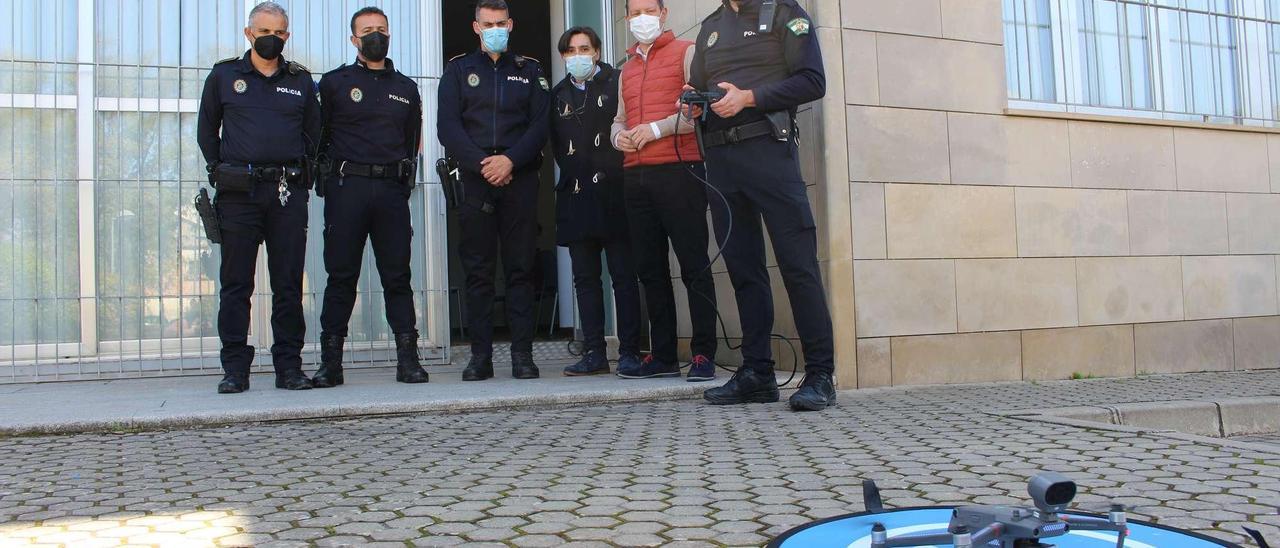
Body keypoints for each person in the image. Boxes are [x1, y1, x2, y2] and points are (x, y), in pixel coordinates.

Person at [689, 0, 837, 410]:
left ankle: (821, 374)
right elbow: (697, 81)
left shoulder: (787, 14)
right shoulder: (712, 26)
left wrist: (751, 97)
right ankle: (757, 373)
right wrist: (691, 99)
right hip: (721, 162)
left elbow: (812, 81)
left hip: (769, 153)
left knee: (798, 265)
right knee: (743, 269)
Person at [196, 1, 319, 394]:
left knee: (287, 284)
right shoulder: (224, 76)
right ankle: (235, 369)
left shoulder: (300, 80)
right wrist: (221, 170)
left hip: (285, 193)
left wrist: (300, 175)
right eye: (264, 31)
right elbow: (206, 131)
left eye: (278, 32)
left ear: (287, 36)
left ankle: (289, 367)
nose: (271, 38)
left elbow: (314, 134)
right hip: (238, 195)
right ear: (249, 33)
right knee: (236, 284)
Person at [312, 7, 429, 388]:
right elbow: (319, 136)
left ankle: (408, 361)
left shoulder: (407, 89)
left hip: (391, 193)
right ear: (353, 40)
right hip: (348, 190)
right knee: (341, 276)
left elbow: (413, 141)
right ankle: (330, 364)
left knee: (397, 277)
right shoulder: (333, 83)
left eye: (381, 29)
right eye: (367, 31)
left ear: (390, 35)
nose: (375, 35)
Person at [438, 0, 550, 381]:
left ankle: (522, 356)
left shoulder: (530, 70)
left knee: (521, 269)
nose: (495, 29)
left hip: (519, 179)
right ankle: (480, 358)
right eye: (488, 23)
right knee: (479, 272)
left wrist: (510, 162)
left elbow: (539, 126)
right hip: (475, 180)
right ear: (476, 27)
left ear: (511, 24)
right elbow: (448, 128)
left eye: (501, 23)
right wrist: (484, 164)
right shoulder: (457, 70)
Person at [610, 0, 719, 383]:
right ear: (627, 18)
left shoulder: (686, 52)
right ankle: (664, 355)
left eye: (648, 10)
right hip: (636, 176)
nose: (642, 19)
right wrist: (617, 137)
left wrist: (656, 129)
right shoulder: (625, 69)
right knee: (650, 270)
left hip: (680, 169)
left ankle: (704, 354)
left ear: (663, 13)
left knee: (693, 265)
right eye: (635, 12)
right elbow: (620, 119)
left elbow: (698, 110)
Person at [549, 27, 643, 377]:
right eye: (571, 50)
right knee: (585, 279)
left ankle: (630, 351)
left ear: (598, 50)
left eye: (584, 48)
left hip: (616, 194)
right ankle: (594, 353)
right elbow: (558, 147)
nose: (578, 55)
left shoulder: (618, 82)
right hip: (575, 198)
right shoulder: (556, 95)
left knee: (623, 276)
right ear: (563, 57)